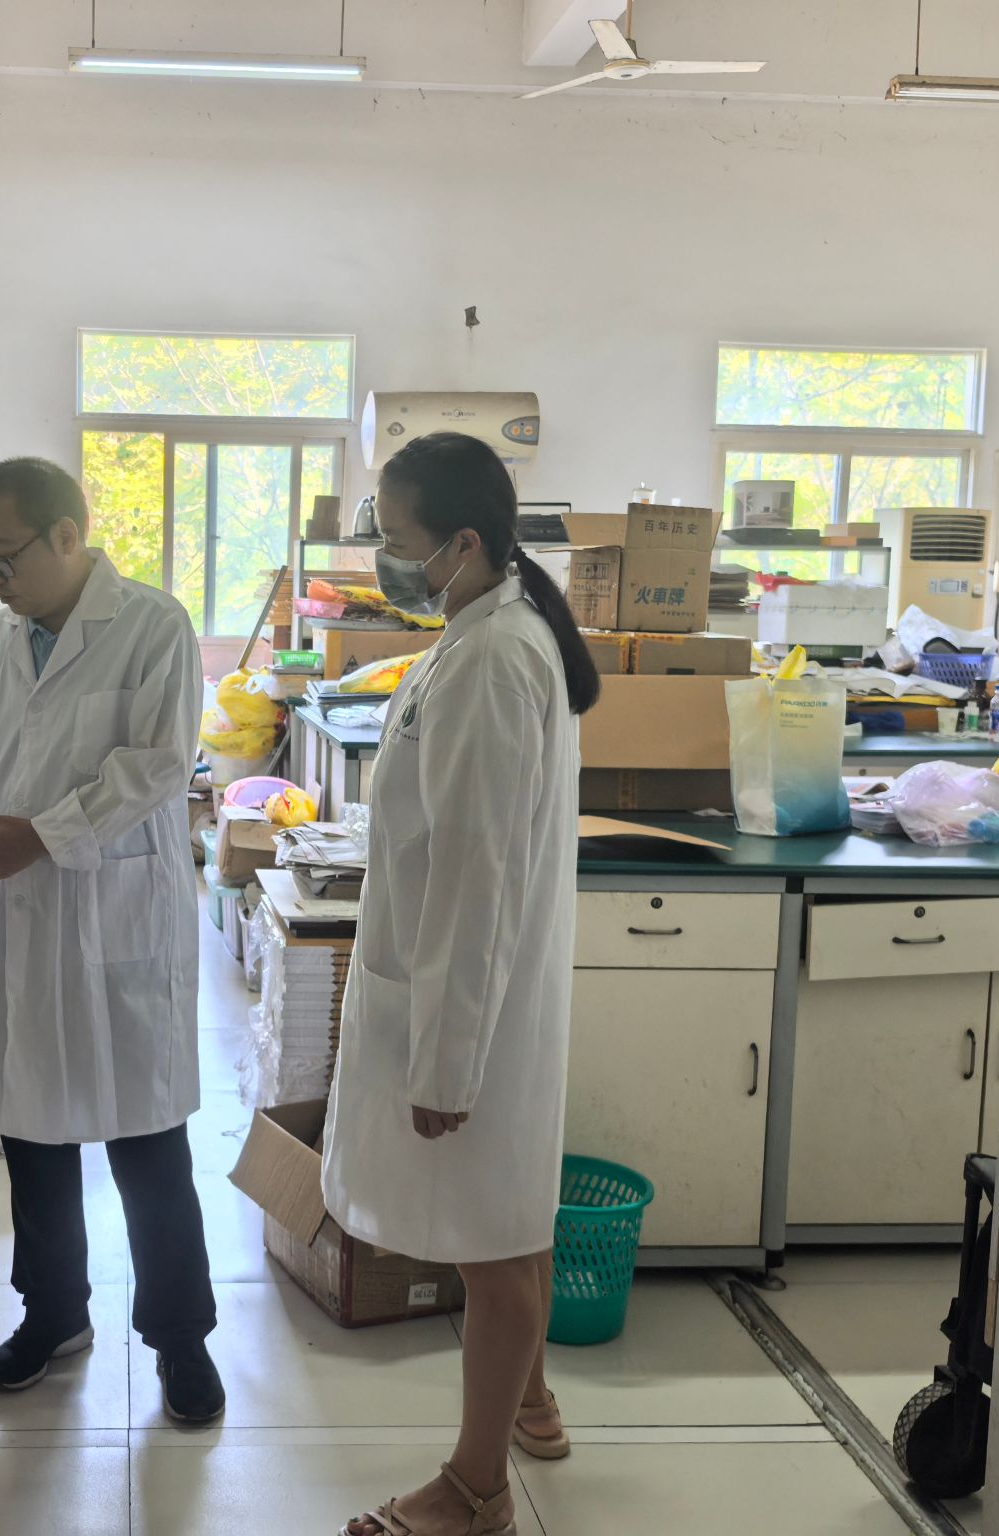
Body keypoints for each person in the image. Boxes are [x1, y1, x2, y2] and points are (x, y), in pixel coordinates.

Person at [324, 432, 601, 1536]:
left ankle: (475, 1489)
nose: (385, 561)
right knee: (511, 1215)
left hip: (473, 1003)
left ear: (465, 543)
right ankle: (529, 1400)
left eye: (398, 541)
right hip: (483, 989)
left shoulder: (492, 659)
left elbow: (472, 873)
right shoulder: (488, 629)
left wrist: (445, 1063)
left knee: (493, 1246)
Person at [0, 456, 224, 1424]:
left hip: (114, 916)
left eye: (4, 555)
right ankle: (52, 1314)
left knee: (148, 1143)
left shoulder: (153, 626)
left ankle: (179, 1336)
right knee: (33, 1138)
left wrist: (40, 836)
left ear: (67, 535)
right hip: (18, 917)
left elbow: (158, 764)